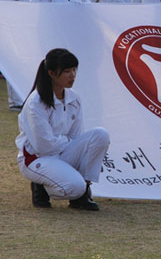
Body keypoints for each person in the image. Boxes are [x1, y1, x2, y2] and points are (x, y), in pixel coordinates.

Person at [16, 48, 110, 210]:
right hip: (38, 158)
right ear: (51, 73)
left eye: (74, 70)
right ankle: (41, 185)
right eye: (67, 71)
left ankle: (84, 191)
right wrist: (66, 141)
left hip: (61, 153)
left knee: (100, 135)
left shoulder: (74, 98)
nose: (72, 75)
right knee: (74, 187)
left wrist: (65, 143)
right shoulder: (36, 103)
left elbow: (76, 136)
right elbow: (43, 146)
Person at [0, 0, 35, 111]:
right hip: (15, 28)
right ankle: (15, 100)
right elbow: (4, 6)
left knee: (30, 62)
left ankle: (28, 96)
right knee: (14, 62)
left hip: (32, 28)